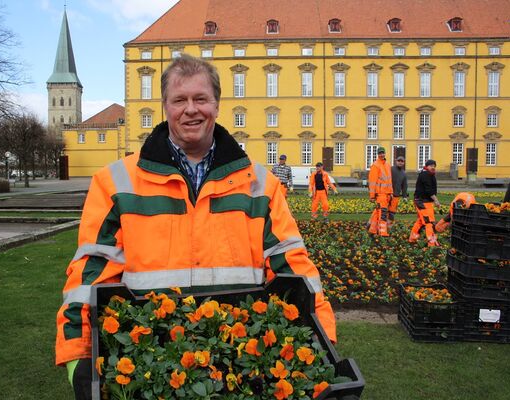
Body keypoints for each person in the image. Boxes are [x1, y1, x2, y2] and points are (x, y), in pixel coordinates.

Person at [55, 54, 336, 399]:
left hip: (238, 368)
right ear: (165, 107)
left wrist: (323, 342)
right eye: (180, 100)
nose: (191, 109)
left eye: (200, 99)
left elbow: (295, 270)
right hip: (149, 368)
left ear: (217, 105)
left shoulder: (259, 186)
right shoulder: (116, 183)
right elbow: (89, 276)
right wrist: (80, 359)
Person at [409, 159, 441, 246]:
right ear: (427, 166)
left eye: (434, 166)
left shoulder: (429, 174)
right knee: (429, 222)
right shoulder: (425, 175)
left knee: (420, 221)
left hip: (423, 201)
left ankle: (412, 238)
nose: (433, 167)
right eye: (431, 166)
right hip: (422, 202)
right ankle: (431, 242)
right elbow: (429, 190)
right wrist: (436, 201)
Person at [367, 147, 393, 236]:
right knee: (383, 212)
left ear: (385, 153)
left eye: (383, 153)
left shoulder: (387, 165)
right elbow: (372, 182)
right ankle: (383, 232)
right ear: (377, 154)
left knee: (378, 212)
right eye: (380, 153)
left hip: (387, 194)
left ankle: (372, 229)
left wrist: (391, 192)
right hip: (381, 194)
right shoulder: (375, 165)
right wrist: (372, 196)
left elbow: (389, 181)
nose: (382, 155)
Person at [387, 156, 408, 228]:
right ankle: (381, 226)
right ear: (396, 161)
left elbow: (404, 186)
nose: (400, 162)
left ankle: (389, 227)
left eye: (402, 161)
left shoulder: (404, 173)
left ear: (404, 163)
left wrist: (404, 196)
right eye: (399, 161)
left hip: (396, 196)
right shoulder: (390, 169)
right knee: (383, 211)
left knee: (392, 212)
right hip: (387, 194)